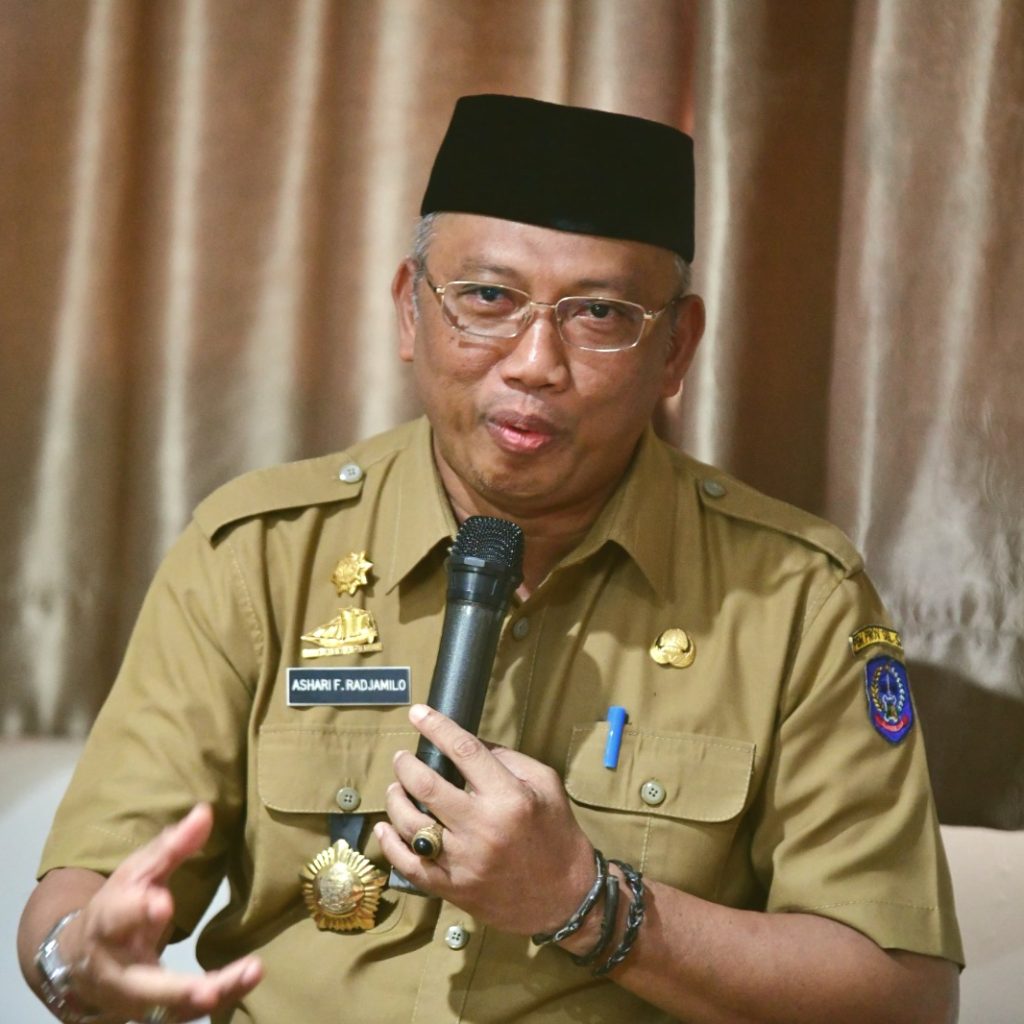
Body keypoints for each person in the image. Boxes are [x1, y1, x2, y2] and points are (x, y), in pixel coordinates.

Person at [18, 94, 962, 1024]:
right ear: (409, 311)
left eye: (599, 313)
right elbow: (81, 893)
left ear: (676, 349)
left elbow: (904, 998)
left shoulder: (795, 597)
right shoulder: (259, 553)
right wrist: (78, 957)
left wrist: (586, 903)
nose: (534, 362)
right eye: (487, 300)